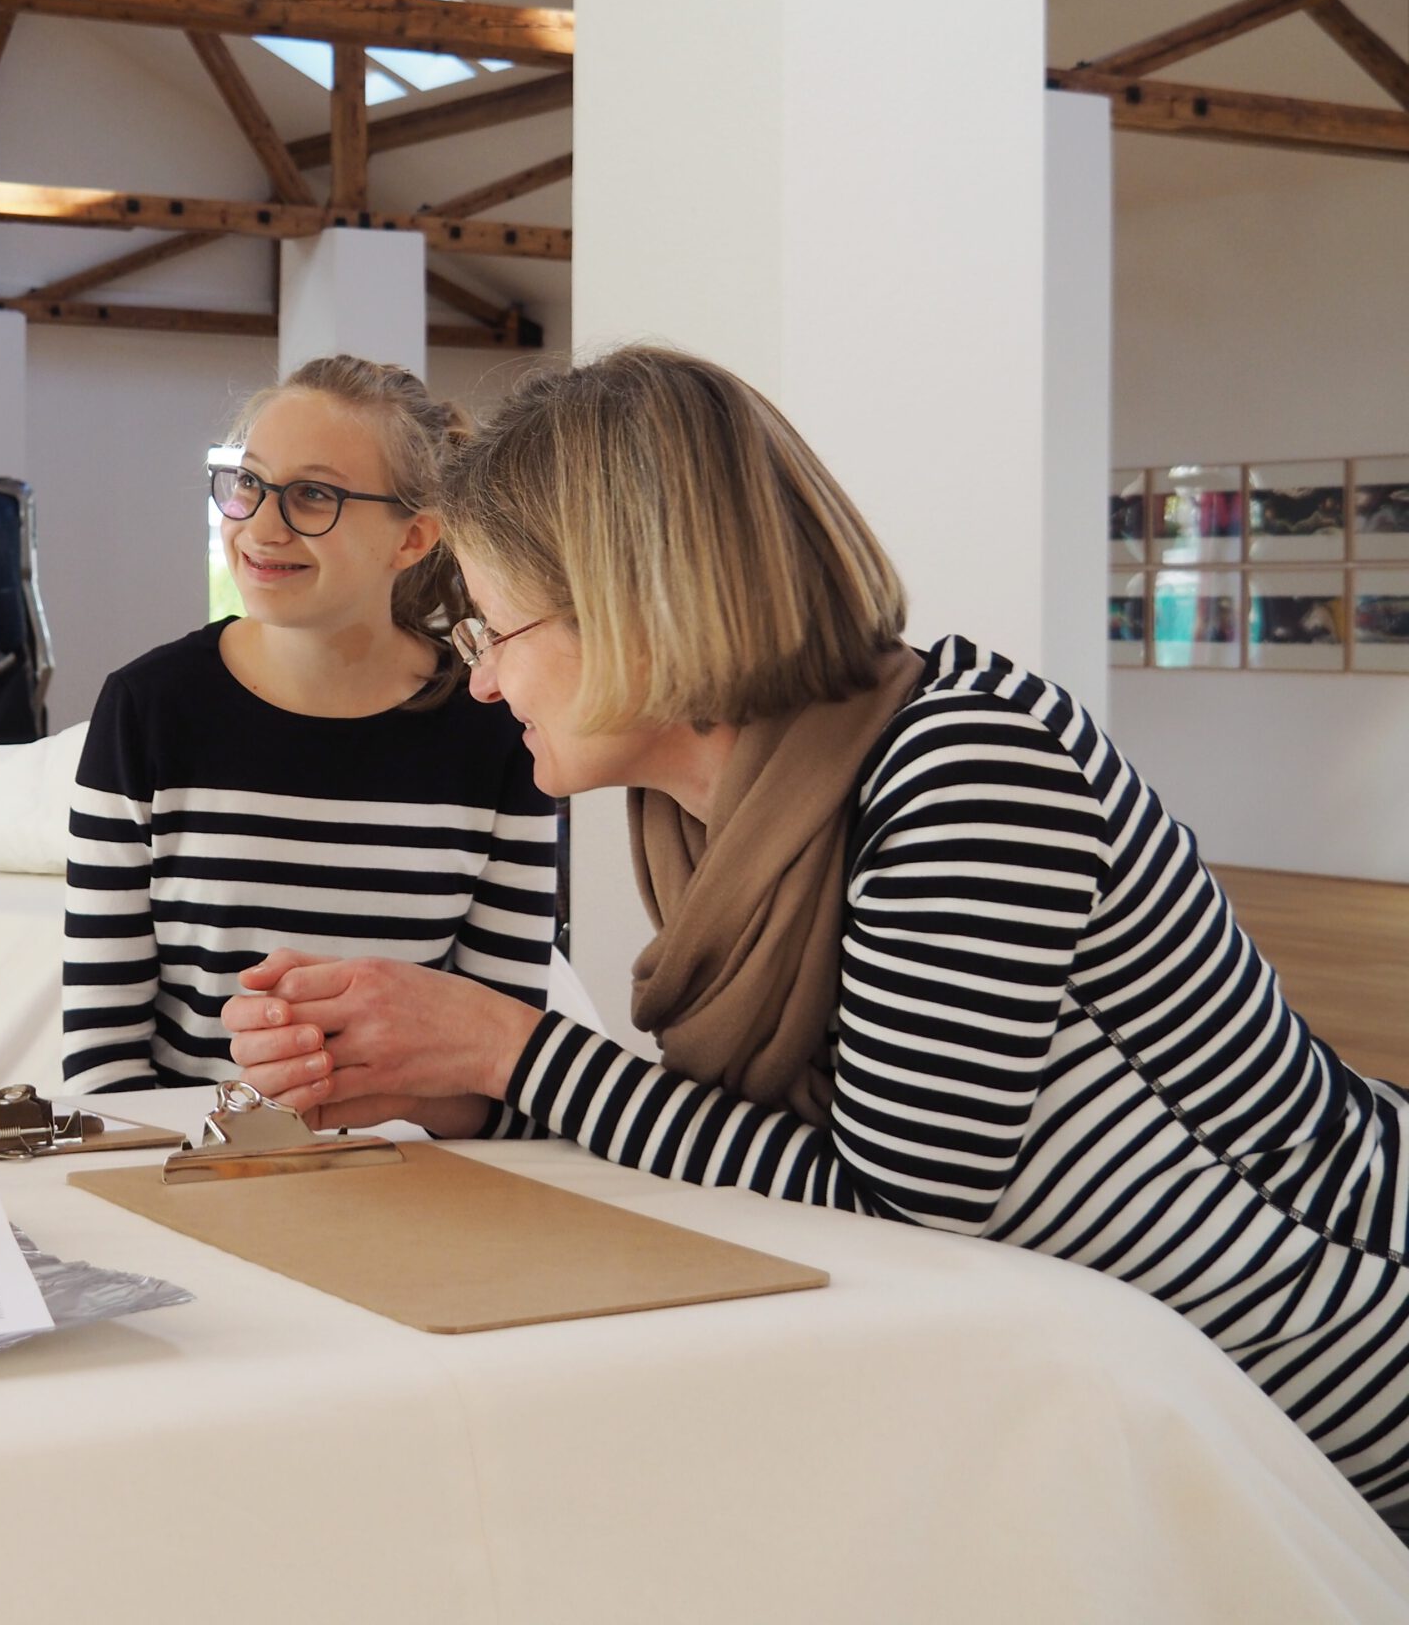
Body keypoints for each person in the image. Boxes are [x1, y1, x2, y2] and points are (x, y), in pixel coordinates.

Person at [223, 344, 1409, 1506]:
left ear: (634, 607)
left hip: (1336, 1386)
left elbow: (899, 1207)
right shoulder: (712, 815)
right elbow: (786, 1140)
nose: (482, 683)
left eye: (498, 632)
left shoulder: (967, 768)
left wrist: (507, 1050)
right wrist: (473, 1087)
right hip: (1154, 1395)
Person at [60, 355, 561, 1095]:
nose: (262, 526)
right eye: (251, 484)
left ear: (414, 538)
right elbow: (102, 1060)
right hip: (189, 1178)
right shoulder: (148, 708)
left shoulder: (494, 723)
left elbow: (505, 1065)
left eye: (313, 496)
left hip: (417, 1181)